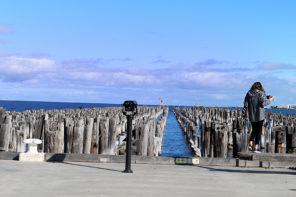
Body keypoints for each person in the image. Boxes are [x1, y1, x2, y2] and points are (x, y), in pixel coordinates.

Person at [242, 82, 274, 153]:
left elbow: (245, 105)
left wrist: (243, 115)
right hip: (260, 115)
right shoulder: (261, 93)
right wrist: (270, 100)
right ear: (260, 87)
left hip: (252, 115)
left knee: (254, 130)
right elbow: (264, 103)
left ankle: (250, 143)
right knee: (259, 131)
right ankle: (256, 147)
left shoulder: (248, 94)